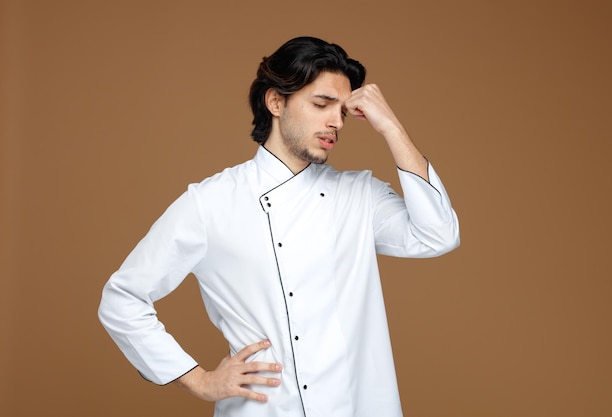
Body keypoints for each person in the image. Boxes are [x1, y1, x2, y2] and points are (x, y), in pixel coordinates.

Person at [98, 36, 460, 417]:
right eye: (321, 104)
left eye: (343, 110)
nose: (336, 122)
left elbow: (438, 234)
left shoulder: (360, 196)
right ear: (276, 102)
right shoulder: (211, 203)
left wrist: (392, 128)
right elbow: (123, 298)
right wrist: (198, 379)